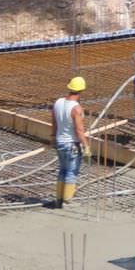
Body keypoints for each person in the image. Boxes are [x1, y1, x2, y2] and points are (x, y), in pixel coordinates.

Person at [52, 77, 88, 207]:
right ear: (81, 91)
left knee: (62, 170)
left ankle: (59, 199)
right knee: (71, 172)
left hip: (60, 142)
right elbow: (79, 130)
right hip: (71, 144)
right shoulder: (76, 108)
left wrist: (53, 138)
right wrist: (86, 146)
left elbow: (54, 123)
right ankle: (67, 201)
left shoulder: (58, 102)